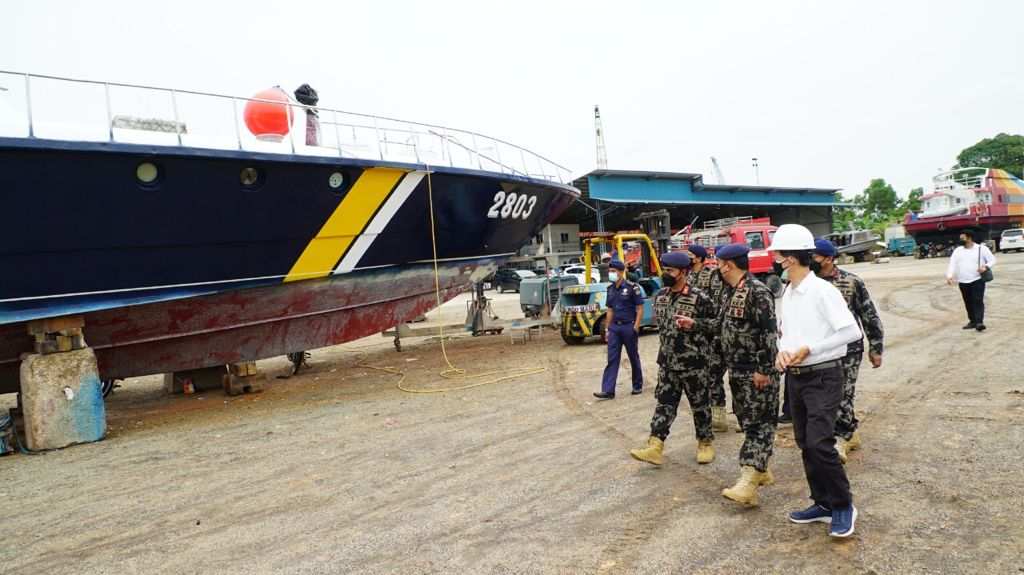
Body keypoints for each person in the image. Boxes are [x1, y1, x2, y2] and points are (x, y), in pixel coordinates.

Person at [769, 224, 862, 538]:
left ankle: (843, 505)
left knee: (821, 444)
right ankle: (822, 503)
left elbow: (852, 332)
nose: (773, 259)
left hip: (823, 376)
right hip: (796, 379)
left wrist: (812, 349)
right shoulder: (791, 291)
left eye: (776, 254)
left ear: (789, 259)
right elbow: (788, 334)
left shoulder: (823, 290)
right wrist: (782, 353)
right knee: (805, 444)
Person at [684, 243, 780, 506]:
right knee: (746, 420)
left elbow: (768, 333)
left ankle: (749, 479)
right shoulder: (729, 292)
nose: (716, 267)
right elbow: (720, 324)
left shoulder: (757, 292)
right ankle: (762, 470)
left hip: (755, 372)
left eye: (718, 263)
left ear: (729, 264)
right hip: (736, 371)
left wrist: (764, 369)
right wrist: (695, 324)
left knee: (760, 423)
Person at [630, 252, 717, 465]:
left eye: (670, 271)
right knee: (664, 404)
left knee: (700, 405)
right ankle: (655, 446)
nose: (665, 274)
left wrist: (695, 324)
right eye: (664, 270)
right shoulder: (660, 295)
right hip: (668, 363)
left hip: (694, 363)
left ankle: (705, 443)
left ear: (683, 272)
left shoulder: (700, 298)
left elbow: (717, 325)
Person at [808, 238, 884, 463]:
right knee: (823, 395)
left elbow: (868, 315)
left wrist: (876, 347)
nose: (810, 261)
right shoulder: (806, 283)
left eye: (814, 257)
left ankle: (841, 437)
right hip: (819, 349)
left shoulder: (851, 282)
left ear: (829, 259)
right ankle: (848, 432)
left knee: (842, 393)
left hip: (848, 350)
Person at [686, 244, 729, 432]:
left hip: (711, 331)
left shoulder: (711, 275)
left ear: (699, 258)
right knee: (703, 374)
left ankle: (720, 415)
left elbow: (716, 303)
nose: (688, 257)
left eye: (691, 254)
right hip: (694, 332)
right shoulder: (687, 275)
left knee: (714, 373)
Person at [594, 260, 645, 399]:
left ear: (621, 272)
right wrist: (607, 329)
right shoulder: (610, 289)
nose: (611, 273)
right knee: (612, 358)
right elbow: (609, 310)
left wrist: (636, 326)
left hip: (629, 326)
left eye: (613, 271)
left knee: (633, 357)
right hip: (615, 328)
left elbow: (640, 308)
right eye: (610, 271)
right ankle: (608, 390)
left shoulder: (632, 288)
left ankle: (637, 385)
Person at [947, 229, 996, 332]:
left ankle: (979, 322)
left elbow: (992, 260)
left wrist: (985, 267)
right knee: (968, 302)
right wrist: (949, 275)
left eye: (963, 238)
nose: (960, 240)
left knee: (977, 301)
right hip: (963, 280)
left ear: (969, 238)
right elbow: (952, 263)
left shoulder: (981, 249)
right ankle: (972, 321)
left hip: (977, 279)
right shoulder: (958, 250)